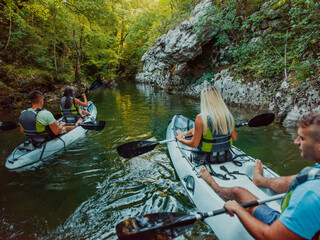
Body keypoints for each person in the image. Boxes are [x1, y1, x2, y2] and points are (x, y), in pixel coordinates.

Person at [200, 112, 320, 240]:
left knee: (238, 191)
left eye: (302, 138)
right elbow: (296, 181)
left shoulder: (309, 194)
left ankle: (214, 185)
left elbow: (271, 237)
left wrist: (237, 209)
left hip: (281, 229)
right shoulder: (314, 176)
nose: (296, 142)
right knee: (301, 177)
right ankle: (259, 180)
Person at [176, 85, 238, 164]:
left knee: (194, 138)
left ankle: (182, 136)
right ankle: (184, 135)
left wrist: (180, 139)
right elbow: (235, 138)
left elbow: (194, 144)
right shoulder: (228, 115)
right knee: (195, 131)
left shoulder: (201, 118)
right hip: (225, 156)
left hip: (206, 159)